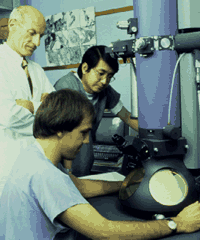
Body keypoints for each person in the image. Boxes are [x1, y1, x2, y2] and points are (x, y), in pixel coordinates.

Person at [1, 88, 200, 240]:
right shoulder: (44, 174)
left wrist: (131, 185)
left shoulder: (33, 155)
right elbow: (104, 231)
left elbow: (78, 186)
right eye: (83, 132)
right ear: (60, 128)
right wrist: (178, 224)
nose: (87, 141)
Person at [54, 45, 138, 177]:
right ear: (85, 68)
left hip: (85, 153)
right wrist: (67, 171)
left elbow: (127, 117)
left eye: (110, 76)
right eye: (101, 73)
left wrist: (151, 135)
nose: (105, 81)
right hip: (64, 156)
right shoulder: (66, 87)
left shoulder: (105, 91)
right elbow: (62, 134)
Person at [0, 5, 55, 197]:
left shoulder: (36, 70)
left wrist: (30, 107)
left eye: (41, 35)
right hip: (7, 168)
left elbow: (57, 111)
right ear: (13, 25)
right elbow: (9, 117)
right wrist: (43, 107)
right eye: (32, 33)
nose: (37, 42)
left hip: (38, 167)